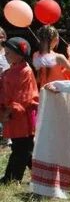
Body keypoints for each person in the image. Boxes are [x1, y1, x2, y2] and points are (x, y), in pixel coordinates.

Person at [0, 37, 39, 184]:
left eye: (8, 53)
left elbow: (24, 97)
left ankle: (11, 178)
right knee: (24, 148)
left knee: (21, 148)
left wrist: (8, 111)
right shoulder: (10, 71)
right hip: (12, 117)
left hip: (22, 117)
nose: (5, 55)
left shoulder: (25, 71)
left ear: (19, 55)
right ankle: (41, 174)